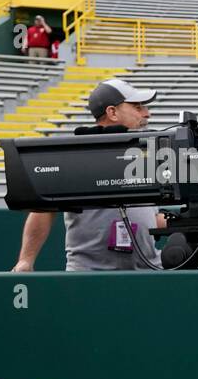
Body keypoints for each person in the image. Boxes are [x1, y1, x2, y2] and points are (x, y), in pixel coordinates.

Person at [11, 78, 165, 272]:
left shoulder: (146, 154)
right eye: (137, 107)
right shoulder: (75, 156)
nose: (146, 113)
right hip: (89, 274)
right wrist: (26, 260)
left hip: (148, 270)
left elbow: (149, 218)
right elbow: (43, 210)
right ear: (112, 112)